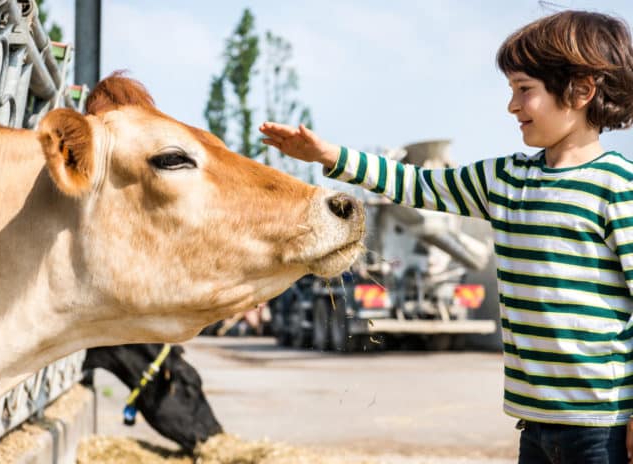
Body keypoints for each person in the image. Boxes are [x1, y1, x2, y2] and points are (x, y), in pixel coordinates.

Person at [259, 9, 633, 464]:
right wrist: (328, 154)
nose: (512, 106)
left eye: (524, 90)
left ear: (581, 90)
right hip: (533, 422)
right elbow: (414, 185)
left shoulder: (618, 187)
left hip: (602, 425)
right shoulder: (504, 179)